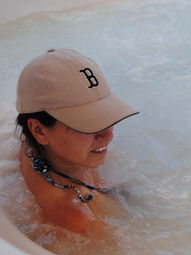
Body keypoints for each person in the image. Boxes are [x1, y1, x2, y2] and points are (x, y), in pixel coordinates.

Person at [16, 48, 139, 234]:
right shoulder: (80, 218)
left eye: (106, 116)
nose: (108, 135)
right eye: (89, 123)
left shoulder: (32, 142)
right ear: (40, 130)